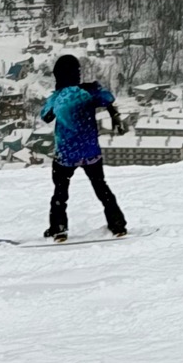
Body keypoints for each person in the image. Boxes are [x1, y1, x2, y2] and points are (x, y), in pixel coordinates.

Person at [39, 52, 127, 241]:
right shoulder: (90, 92)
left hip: (66, 153)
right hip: (90, 151)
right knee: (101, 187)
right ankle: (117, 224)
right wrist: (94, 88)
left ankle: (59, 228)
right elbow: (108, 97)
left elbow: (45, 116)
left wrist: (56, 96)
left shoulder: (58, 97)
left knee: (60, 193)